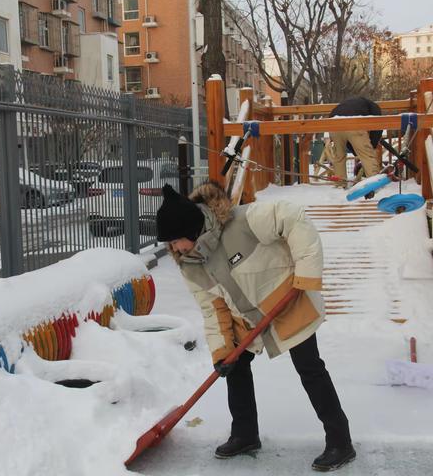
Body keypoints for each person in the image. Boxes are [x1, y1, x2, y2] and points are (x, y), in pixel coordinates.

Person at [155, 182, 356, 472]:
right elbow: (212, 309)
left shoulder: (244, 222)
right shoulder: (191, 264)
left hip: (288, 302)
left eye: (175, 241)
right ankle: (245, 434)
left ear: (191, 228)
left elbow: (294, 218)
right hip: (244, 318)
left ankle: (340, 441)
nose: (174, 249)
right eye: (170, 245)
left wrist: (306, 272)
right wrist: (221, 350)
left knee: (309, 368)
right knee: (234, 366)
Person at [328, 96, 383, 186]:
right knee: (367, 156)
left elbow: (348, 140)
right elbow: (377, 129)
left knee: (339, 157)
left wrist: (355, 151)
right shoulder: (374, 108)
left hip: (333, 123)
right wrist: (372, 146)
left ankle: (340, 184)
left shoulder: (349, 103)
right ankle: (374, 184)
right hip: (354, 122)